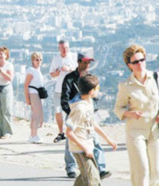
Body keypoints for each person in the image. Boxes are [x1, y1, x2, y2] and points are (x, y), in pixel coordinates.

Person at [114, 44, 159, 186]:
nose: (140, 64)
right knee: (142, 170)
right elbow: (118, 109)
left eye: (142, 60)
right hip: (135, 132)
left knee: (156, 171)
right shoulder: (125, 85)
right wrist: (130, 113)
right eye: (135, 62)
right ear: (129, 65)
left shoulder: (156, 78)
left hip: (155, 131)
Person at [61, 53, 111, 179]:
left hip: (88, 114)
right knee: (70, 142)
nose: (87, 65)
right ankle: (71, 167)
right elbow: (64, 98)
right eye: (85, 62)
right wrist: (72, 112)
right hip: (75, 114)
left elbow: (94, 96)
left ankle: (101, 168)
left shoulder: (91, 77)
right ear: (78, 62)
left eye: (89, 62)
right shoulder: (69, 78)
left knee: (95, 141)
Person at [66, 74, 117, 186]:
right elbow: (69, 132)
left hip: (88, 146)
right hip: (80, 149)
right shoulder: (79, 108)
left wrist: (107, 139)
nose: (99, 90)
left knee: (87, 176)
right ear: (91, 91)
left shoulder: (89, 103)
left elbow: (92, 124)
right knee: (93, 179)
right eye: (97, 88)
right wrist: (85, 148)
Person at [49, 40, 77, 143]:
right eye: (62, 48)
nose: (65, 50)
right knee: (58, 111)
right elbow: (51, 74)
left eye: (66, 48)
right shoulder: (56, 58)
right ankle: (61, 133)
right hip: (59, 89)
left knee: (71, 112)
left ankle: (72, 132)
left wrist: (68, 68)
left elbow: (77, 70)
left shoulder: (73, 56)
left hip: (71, 90)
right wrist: (57, 72)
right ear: (59, 48)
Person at [24, 52, 44, 144]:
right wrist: (27, 98)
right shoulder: (31, 71)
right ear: (32, 60)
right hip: (33, 94)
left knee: (35, 115)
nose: (39, 62)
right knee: (37, 115)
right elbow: (26, 85)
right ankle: (34, 135)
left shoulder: (37, 70)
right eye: (37, 60)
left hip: (37, 94)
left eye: (40, 60)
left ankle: (32, 134)